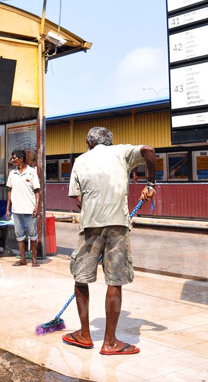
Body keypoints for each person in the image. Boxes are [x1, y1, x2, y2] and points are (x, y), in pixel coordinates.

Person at [64, 126, 155, 356]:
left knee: (81, 278)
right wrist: (150, 184)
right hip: (117, 224)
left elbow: (78, 200)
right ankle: (110, 343)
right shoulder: (121, 152)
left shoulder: (80, 161)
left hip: (90, 224)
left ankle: (85, 335)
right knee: (114, 281)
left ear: (90, 143)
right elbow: (149, 150)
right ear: (109, 142)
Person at [6, 149, 41, 267]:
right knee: (19, 235)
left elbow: (37, 191)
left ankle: (34, 259)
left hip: (29, 209)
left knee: (33, 234)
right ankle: (23, 259)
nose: (12, 160)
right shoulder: (12, 173)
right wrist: (8, 208)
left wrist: (37, 206)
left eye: (14, 158)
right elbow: (10, 191)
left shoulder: (31, 172)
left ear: (21, 159)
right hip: (16, 210)